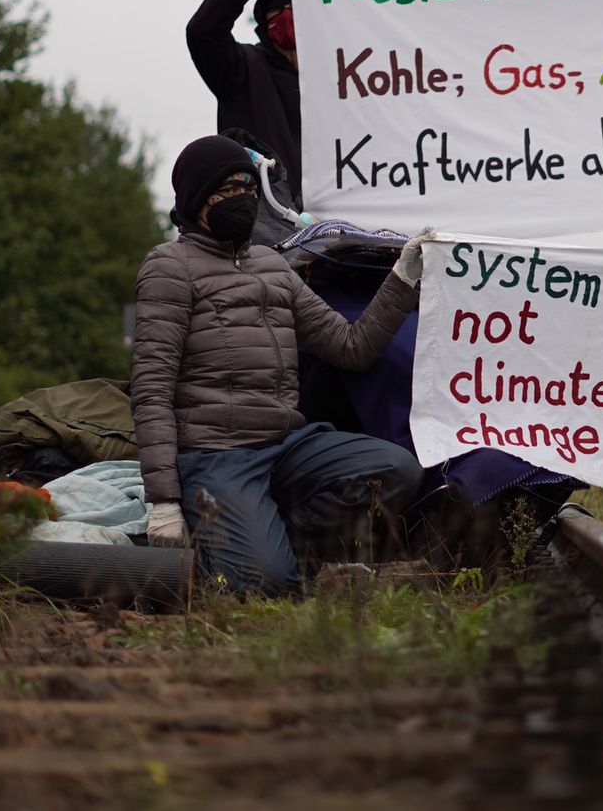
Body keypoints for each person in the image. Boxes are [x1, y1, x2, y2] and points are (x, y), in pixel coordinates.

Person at [132, 134, 432, 594]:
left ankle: (275, 541)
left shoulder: (273, 266)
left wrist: (402, 279)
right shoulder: (170, 267)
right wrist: (164, 501)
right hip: (216, 457)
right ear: (195, 201)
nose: (244, 199)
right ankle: (248, 549)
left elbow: (351, 347)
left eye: (250, 189)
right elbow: (151, 389)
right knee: (263, 584)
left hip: (286, 446)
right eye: (227, 190)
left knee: (396, 469)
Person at [187, 0, 303, 200]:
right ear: (264, 21)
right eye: (276, 9)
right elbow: (203, 32)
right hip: (261, 225)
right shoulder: (243, 69)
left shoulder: (344, 79)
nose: (286, 14)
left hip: (334, 229)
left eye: (295, 6)